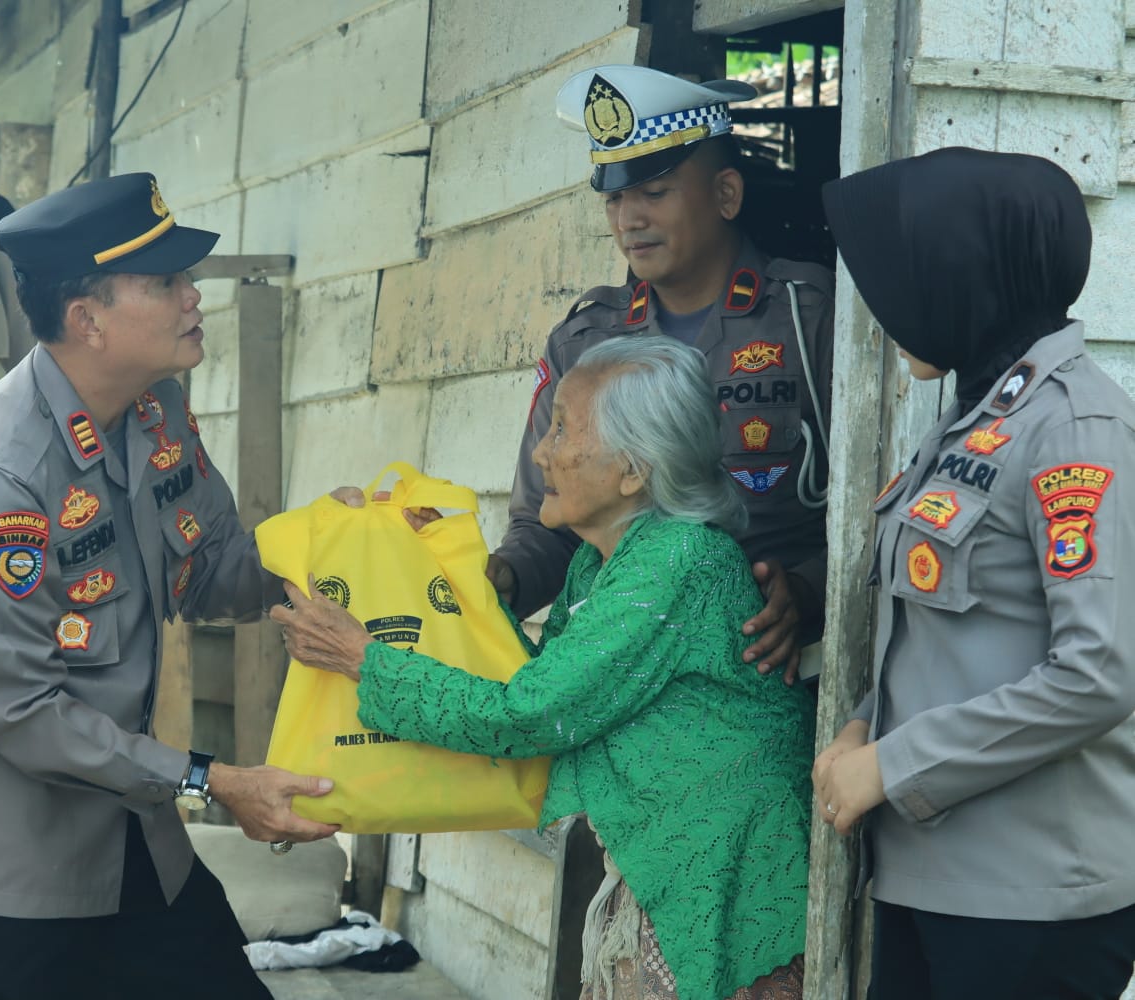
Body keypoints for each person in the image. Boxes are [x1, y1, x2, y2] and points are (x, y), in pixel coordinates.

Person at [0, 172, 340, 1000]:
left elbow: (216, 572)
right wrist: (215, 781)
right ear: (87, 319)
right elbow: (22, 713)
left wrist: (339, 544)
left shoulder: (154, 409)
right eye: (165, 282)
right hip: (2, 874)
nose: (194, 295)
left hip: (128, 829)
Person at [274, 336, 813, 1000]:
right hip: (668, 859)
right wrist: (426, 567)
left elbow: (532, 712)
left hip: (723, 868)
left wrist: (365, 661)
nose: (541, 452)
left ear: (633, 471)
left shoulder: (677, 561)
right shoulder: (605, 560)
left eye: (562, 429)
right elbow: (531, 679)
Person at [813, 147, 1135, 999]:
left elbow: (1098, 673)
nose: (890, 311)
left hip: (1028, 904)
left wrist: (891, 765)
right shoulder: (973, 419)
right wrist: (861, 727)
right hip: (927, 877)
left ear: (968, 276)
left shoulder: (1075, 429)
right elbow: (949, 636)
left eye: (912, 278)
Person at [491, 65, 835, 681]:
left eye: (655, 192)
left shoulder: (807, 320)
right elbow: (543, 525)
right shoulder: (586, 342)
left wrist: (809, 591)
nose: (629, 219)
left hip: (775, 667)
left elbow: (876, 512)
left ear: (726, 195)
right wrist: (504, 578)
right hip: (623, 667)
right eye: (615, 197)